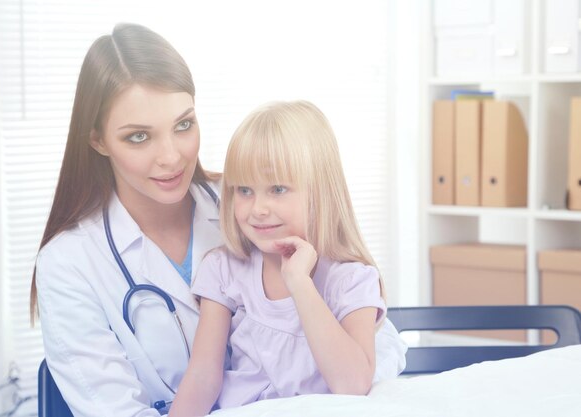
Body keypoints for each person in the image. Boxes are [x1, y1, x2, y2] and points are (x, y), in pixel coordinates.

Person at [31, 23, 405, 417]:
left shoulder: (258, 206)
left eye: (183, 125)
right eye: (139, 137)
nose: (171, 156)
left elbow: (375, 349)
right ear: (98, 140)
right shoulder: (69, 263)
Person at [168, 100, 407, 417]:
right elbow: (202, 377)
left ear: (320, 191)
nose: (258, 209)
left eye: (277, 189)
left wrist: (300, 283)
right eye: (244, 190)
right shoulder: (224, 269)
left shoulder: (351, 279)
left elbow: (352, 385)